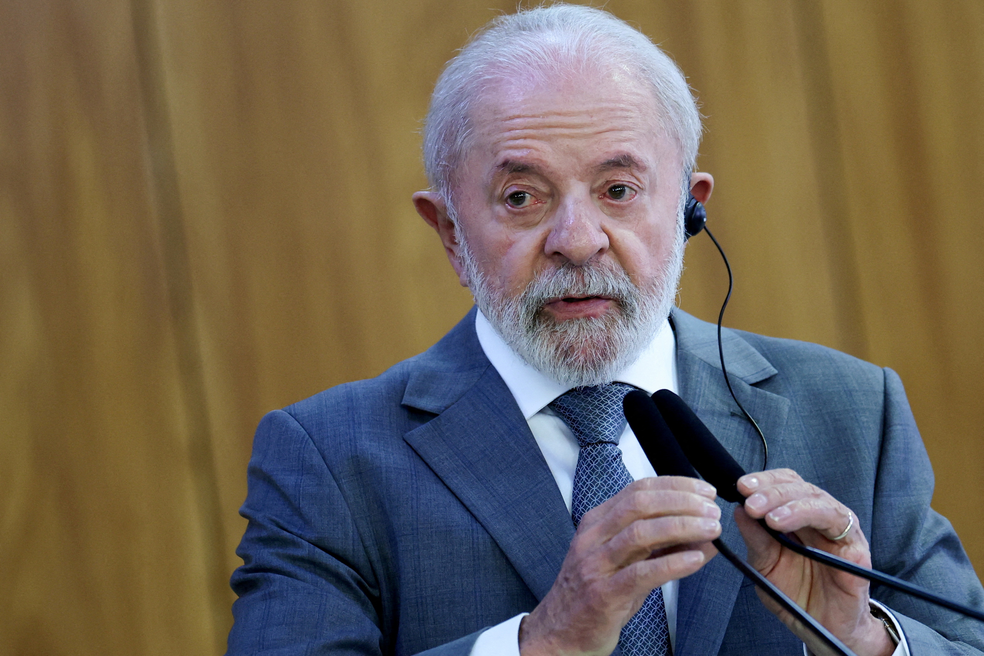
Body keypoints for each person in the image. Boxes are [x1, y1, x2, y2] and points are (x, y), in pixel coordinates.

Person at [226, 4, 984, 655]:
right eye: (521, 197)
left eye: (618, 190)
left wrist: (864, 639)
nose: (578, 238)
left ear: (690, 209)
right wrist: (546, 642)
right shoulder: (328, 460)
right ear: (450, 233)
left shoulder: (853, 410)